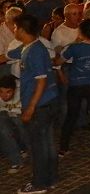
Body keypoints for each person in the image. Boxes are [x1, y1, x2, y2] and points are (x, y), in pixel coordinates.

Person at [1, 14, 59, 193]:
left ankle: (39, 183)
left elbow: (40, 81)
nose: (14, 30)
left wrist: (31, 107)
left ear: (23, 30)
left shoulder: (34, 51)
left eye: (16, 28)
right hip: (47, 102)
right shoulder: (31, 46)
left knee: (38, 145)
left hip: (40, 105)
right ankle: (50, 178)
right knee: (47, 142)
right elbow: (10, 54)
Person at [55, 20, 90, 158]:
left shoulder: (75, 47)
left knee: (71, 116)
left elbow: (59, 61)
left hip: (75, 85)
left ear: (82, 32)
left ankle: (63, 148)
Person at [0, 75, 28, 174]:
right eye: (1, 92)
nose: (4, 96)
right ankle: (16, 161)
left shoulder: (22, 90)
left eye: (8, 92)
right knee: (3, 131)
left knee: (20, 125)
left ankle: (24, 148)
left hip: (20, 112)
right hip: (3, 112)